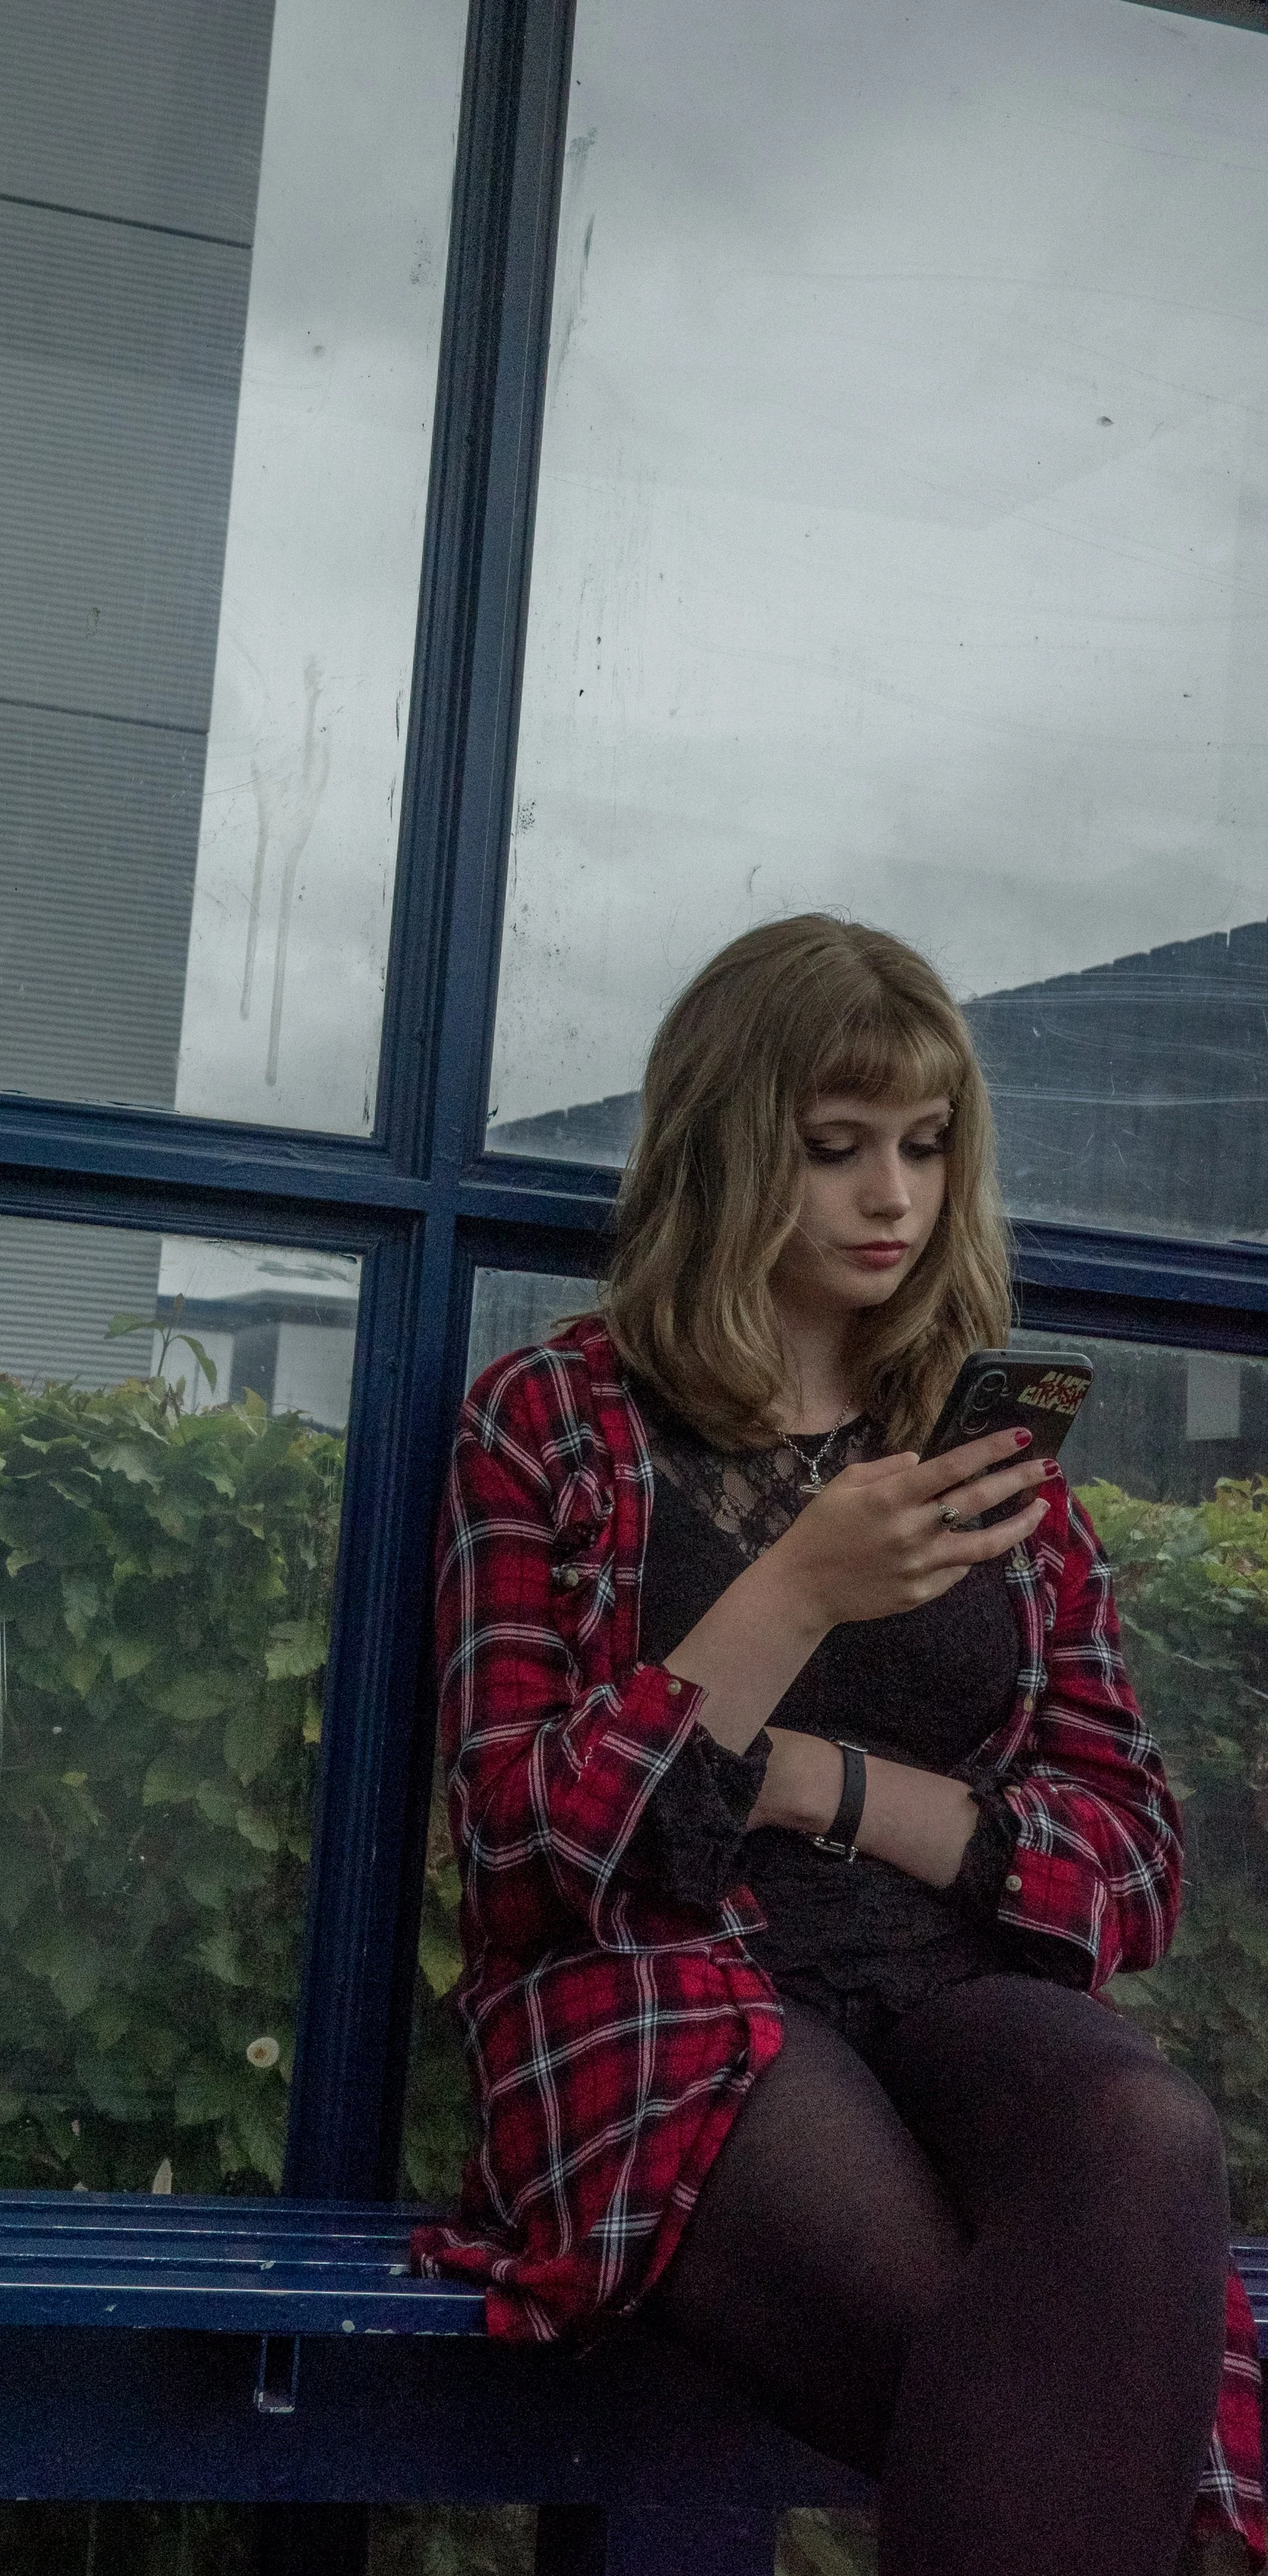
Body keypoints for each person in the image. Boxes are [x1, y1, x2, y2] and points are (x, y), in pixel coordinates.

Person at [411, 917, 1263, 2576]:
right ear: (731, 1152)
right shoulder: (552, 1422)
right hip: (668, 1990)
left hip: (942, 1986)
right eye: (835, 1149)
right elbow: (522, 1856)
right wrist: (796, 1587)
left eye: (926, 1147)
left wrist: (822, 1784)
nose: (892, 1197)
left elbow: (1129, 1865)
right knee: (1074, 2411)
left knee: (1139, 2131)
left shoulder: (987, 1464)